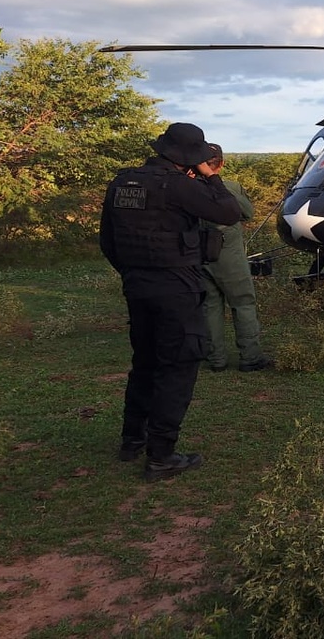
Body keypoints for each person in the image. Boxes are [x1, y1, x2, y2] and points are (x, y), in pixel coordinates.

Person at [100, 122, 243, 481]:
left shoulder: (122, 182)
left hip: (137, 285)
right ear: (189, 158)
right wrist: (211, 177)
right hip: (175, 286)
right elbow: (229, 213)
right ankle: (162, 455)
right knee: (177, 366)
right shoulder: (178, 185)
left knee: (144, 362)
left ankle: (133, 440)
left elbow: (108, 242)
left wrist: (133, 272)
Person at [201, 143, 273, 373]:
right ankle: (250, 357)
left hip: (198, 253)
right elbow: (248, 213)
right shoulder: (230, 187)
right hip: (228, 254)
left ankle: (216, 359)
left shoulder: (187, 188)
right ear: (221, 163)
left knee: (210, 305)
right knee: (243, 303)